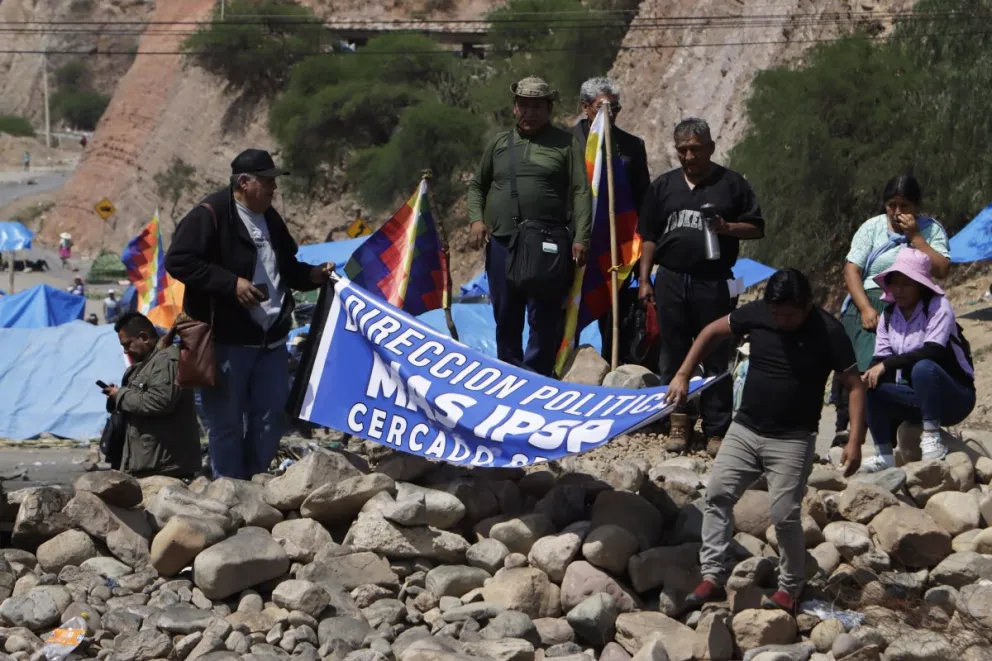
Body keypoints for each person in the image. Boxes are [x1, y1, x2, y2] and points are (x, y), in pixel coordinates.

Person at [666, 269, 865, 615]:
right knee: (716, 495)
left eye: (789, 314)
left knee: (784, 516)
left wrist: (856, 442)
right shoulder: (757, 313)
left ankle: (791, 585)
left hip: (793, 439)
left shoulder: (829, 331)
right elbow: (711, 331)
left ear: (806, 306)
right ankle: (712, 575)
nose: (782, 320)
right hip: (745, 429)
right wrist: (684, 372)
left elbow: (855, 385)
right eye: (777, 313)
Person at [165, 148, 335, 480]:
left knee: (271, 417)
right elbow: (179, 261)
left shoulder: (269, 217)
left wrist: (310, 276)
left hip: (271, 339)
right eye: (267, 181)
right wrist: (231, 284)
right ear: (244, 182)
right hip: (227, 340)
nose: (274, 189)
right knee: (226, 423)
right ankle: (230, 489)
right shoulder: (210, 214)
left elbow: (284, 267)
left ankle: (255, 484)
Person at [637, 117, 764, 456]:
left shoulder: (732, 184)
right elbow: (648, 236)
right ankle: (677, 421)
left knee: (716, 353)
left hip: (714, 279)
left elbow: (755, 227)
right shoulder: (663, 186)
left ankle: (716, 428)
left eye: (695, 149)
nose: (689, 156)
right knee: (672, 351)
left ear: (709, 147)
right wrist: (644, 279)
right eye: (682, 150)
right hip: (671, 279)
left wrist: (727, 228)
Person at [467, 76, 592, 376]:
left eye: (537, 106)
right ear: (514, 108)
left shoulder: (566, 144)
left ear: (549, 108)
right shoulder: (498, 143)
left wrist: (582, 237)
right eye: (523, 104)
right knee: (506, 315)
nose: (529, 112)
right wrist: (476, 219)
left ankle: (537, 377)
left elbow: (581, 191)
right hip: (503, 242)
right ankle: (510, 377)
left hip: (547, 243)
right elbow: (476, 186)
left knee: (544, 317)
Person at [861, 249, 974, 471]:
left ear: (920, 285)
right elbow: (880, 360)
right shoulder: (888, 316)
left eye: (907, 284)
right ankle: (884, 455)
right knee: (872, 385)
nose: (899, 290)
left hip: (955, 398)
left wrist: (887, 364)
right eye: (895, 283)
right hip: (918, 400)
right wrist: (874, 370)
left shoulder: (938, 306)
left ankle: (932, 438)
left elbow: (932, 350)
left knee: (923, 367)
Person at [568, 76, 651, 364]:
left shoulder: (631, 147)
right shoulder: (567, 143)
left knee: (615, 323)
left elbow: (644, 202)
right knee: (567, 321)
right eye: (602, 108)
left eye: (614, 109)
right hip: (574, 248)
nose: (610, 115)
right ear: (585, 108)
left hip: (615, 250)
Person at [100, 313, 201, 478]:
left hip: (165, 468)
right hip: (151, 463)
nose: (126, 351)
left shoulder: (166, 361)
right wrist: (117, 396)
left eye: (127, 344)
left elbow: (159, 402)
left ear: (144, 337)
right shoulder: (149, 362)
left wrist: (121, 395)